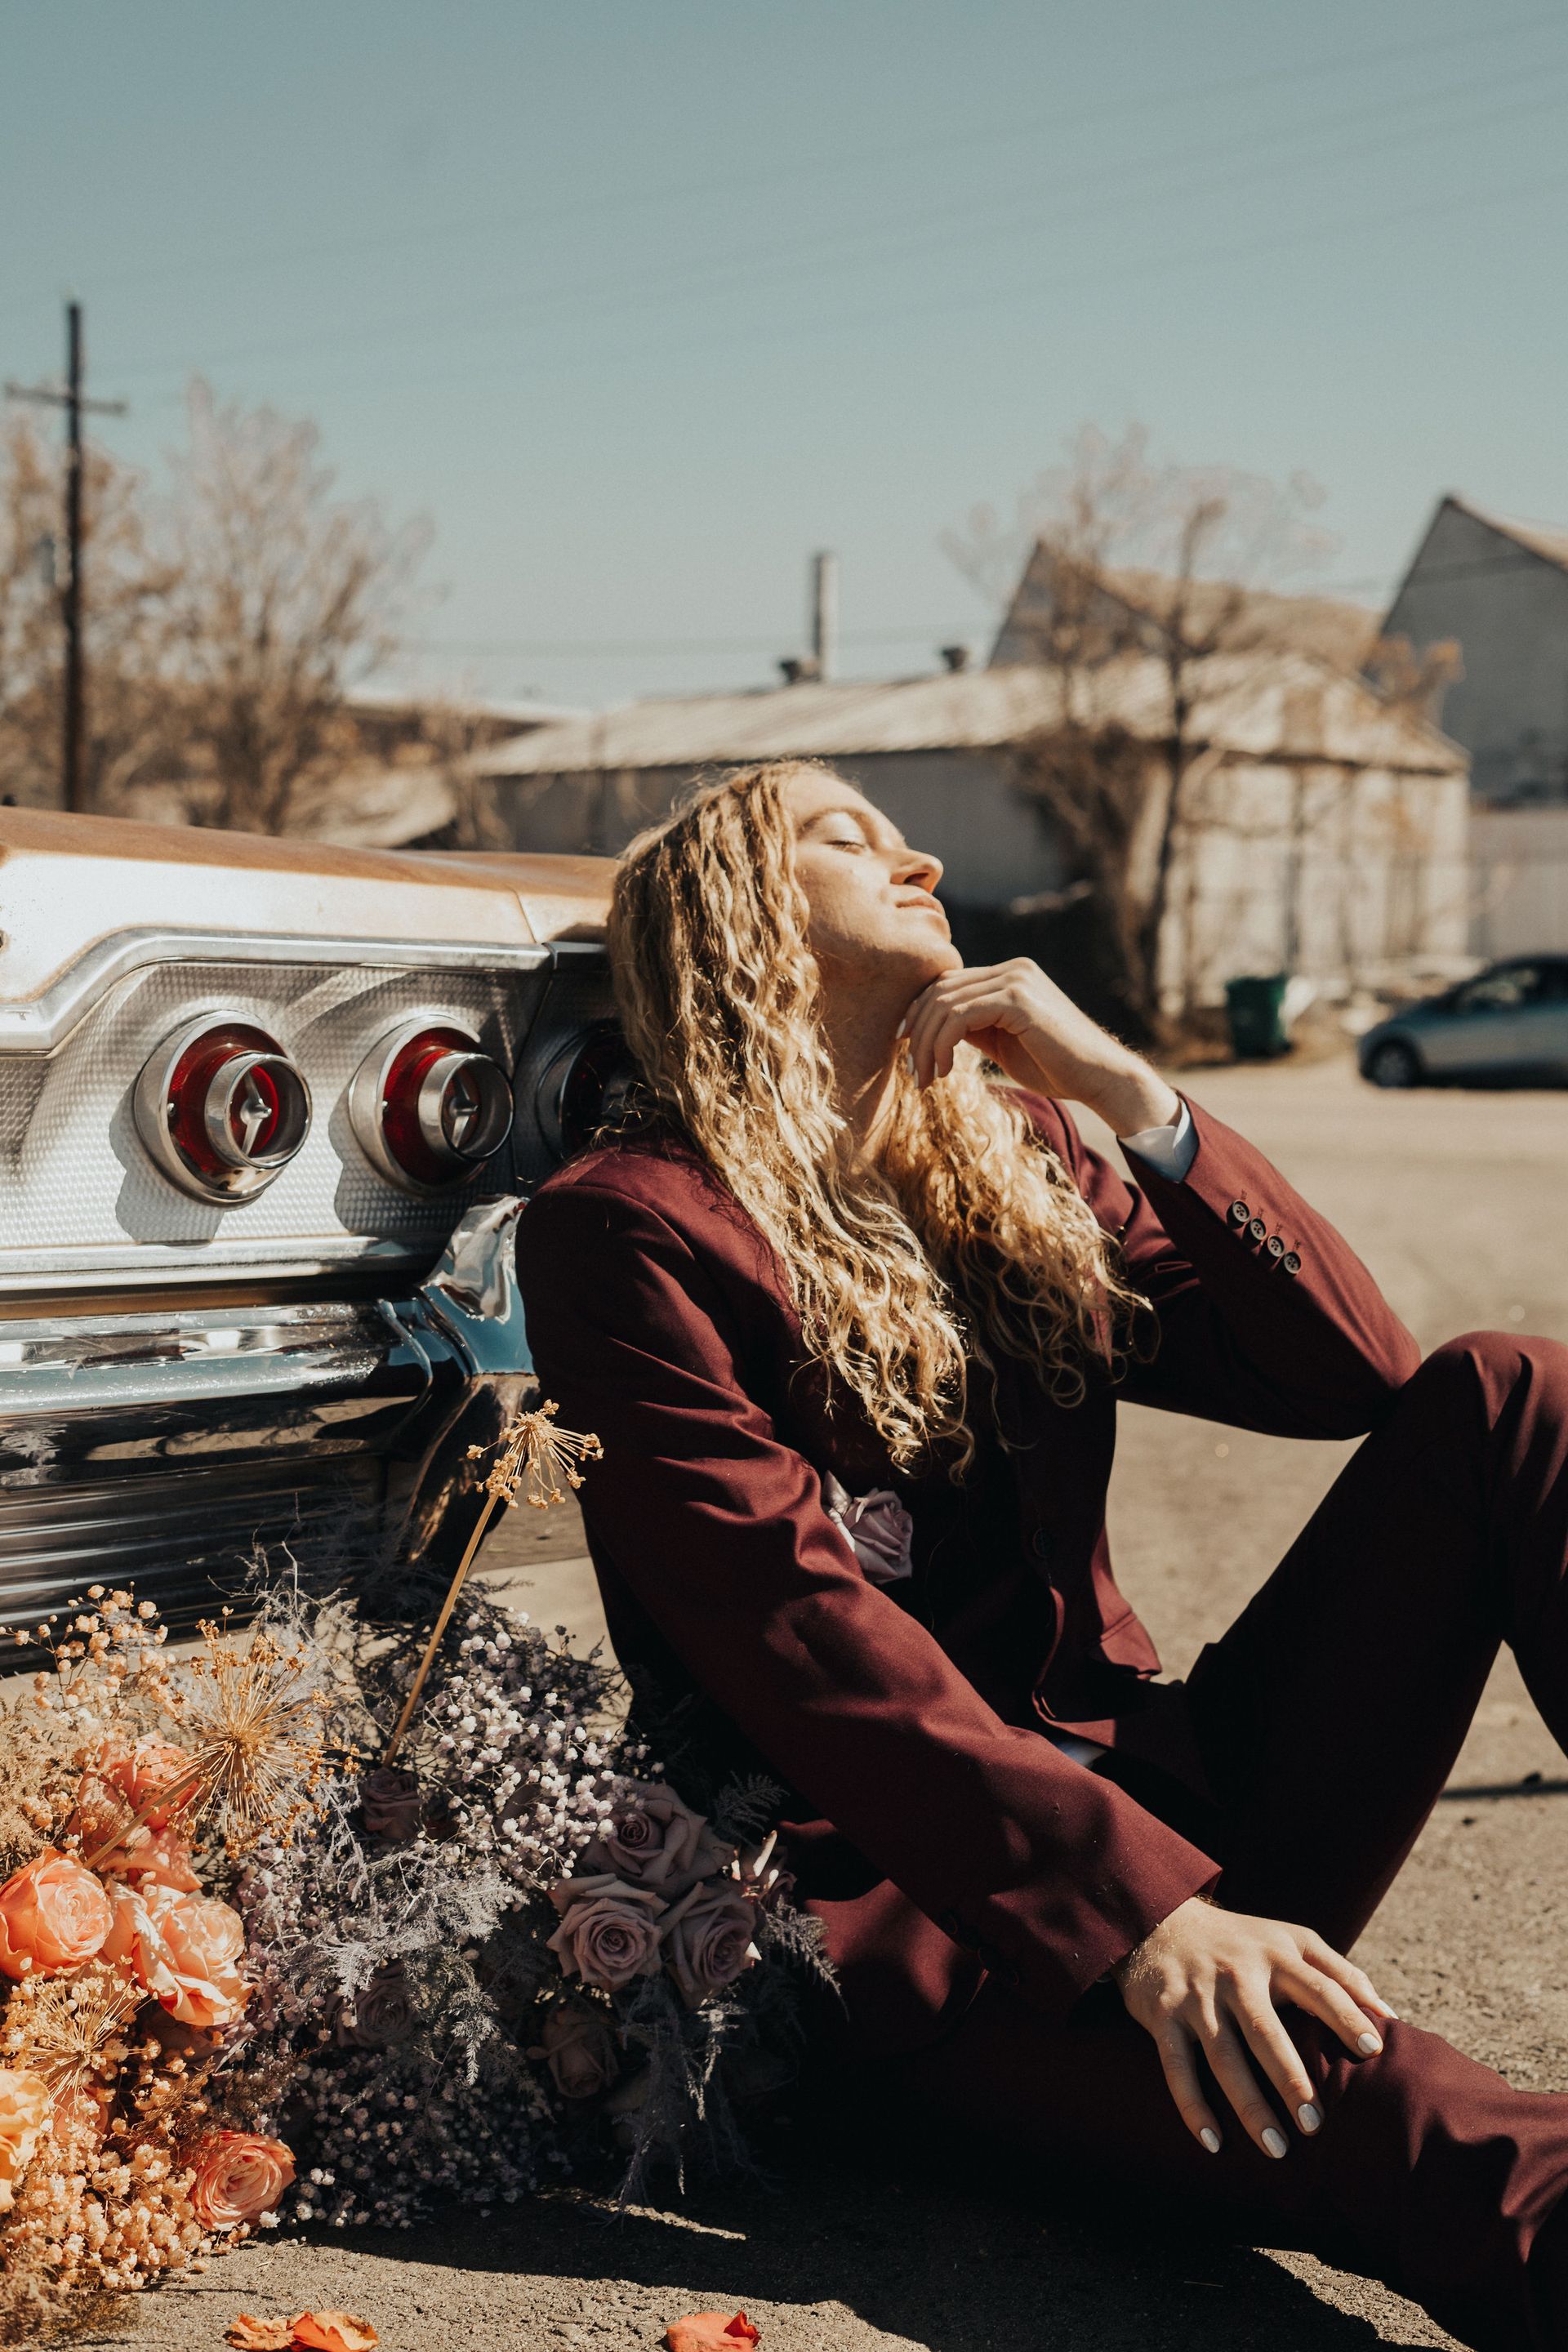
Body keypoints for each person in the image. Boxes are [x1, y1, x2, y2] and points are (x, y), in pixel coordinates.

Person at [516, 760, 1568, 2350]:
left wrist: (1133, 1098)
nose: (921, 853)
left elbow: (1348, 1376)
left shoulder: (1010, 1155)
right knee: (1423, 2127)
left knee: (1515, 1393)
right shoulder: (629, 1227)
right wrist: (1144, 1919)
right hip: (931, 1938)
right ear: (733, 915)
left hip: (1177, 1806)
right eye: (847, 836)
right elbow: (794, 1631)